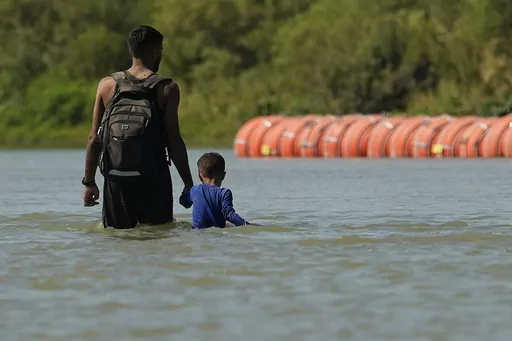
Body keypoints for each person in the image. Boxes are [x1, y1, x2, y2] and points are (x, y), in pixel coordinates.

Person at [82, 25, 194, 229]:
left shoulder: (107, 85)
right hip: (154, 178)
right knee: (157, 234)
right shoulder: (167, 88)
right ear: (154, 51)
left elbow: (94, 139)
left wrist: (89, 182)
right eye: (160, 49)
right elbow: (173, 140)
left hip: (116, 179)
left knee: (118, 237)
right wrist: (188, 183)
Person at [179, 152, 256, 229]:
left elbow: (184, 203)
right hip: (218, 235)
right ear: (223, 175)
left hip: (197, 234)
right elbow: (228, 214)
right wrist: (247, 225)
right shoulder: (224, 193)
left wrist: (186, 188)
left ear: (200, 176)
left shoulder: (195, 190)